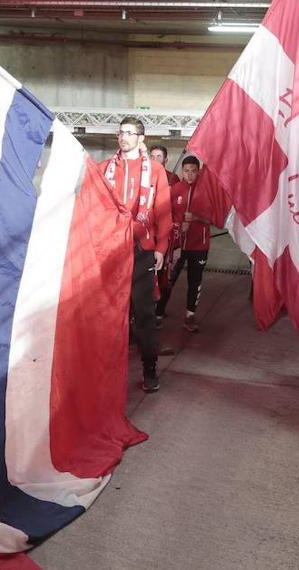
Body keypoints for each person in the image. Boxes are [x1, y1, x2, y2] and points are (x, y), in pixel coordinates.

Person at [102, 117, 173, 393]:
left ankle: (149, 368)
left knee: (144, 313)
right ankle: (105, 369)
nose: (123, 137)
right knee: (108, 312)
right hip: (110, 250)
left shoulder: (155, 170)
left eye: (130, 133)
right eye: (121, 133)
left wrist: (161, 248)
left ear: (141, 138)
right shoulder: (106, 169)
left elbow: (164, 211)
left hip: (141, 249)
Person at [155, 156, 211, 333]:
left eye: (193, 171)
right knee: (168, 280)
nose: (190, 174)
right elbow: (164, 215)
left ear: (198, 172)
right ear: (182, 171)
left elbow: (214, 220)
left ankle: (190, 316)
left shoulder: (207, 192)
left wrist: (196, 218)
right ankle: (158, 314)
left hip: (199, 246)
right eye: (186, 170)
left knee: (195, 282)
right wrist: (177, 224)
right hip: (177, 245)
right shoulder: (175, 190)